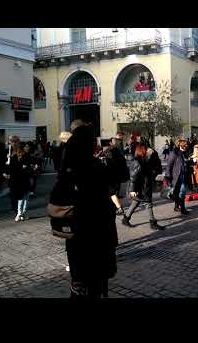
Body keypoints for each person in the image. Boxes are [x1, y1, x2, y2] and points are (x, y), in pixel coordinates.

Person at [58, 124, 119, 298]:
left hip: (76, 238)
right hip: (97, 237)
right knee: (95, 287)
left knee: (79, 284)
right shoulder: (97, 168)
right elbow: (115, 183)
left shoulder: (66, 170)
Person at [123, 143, 164, 230]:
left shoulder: (143, 160)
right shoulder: (137, 162)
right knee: (148, 204)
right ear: (142, 150)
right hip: (141, 188)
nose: (147, 150)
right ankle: (152, 222)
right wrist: (132, 190)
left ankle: (126, 219)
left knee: (136, 202)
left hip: (143, 186)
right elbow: (133, 178)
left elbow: (150, 169)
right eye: (146, 149)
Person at [8, 142, 32, 222]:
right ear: (22, 148)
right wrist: (23, 167)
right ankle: (19, 213)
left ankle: (23, 213)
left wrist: (29, 168)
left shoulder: (27, 156)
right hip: (19, 180)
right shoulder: (15, 156)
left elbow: (28, 168)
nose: (28, 148)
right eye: (26, 147)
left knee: (26, 197)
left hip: (26, 179)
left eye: (28, 147)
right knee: (21, 197)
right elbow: (12, 168)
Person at [165, 138, 190, 215]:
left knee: (182, 192)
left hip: (184, 175)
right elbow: (169, 165)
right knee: (177, 192)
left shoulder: (185, 153)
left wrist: (190, 161)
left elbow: (185, 163)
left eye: (186, 144)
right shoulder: (174, 153)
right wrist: (168, 176)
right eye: (185, 144)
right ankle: (178, 207)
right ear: (180, 144)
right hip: (176, 176)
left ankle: (181, 208)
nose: (186, 146)